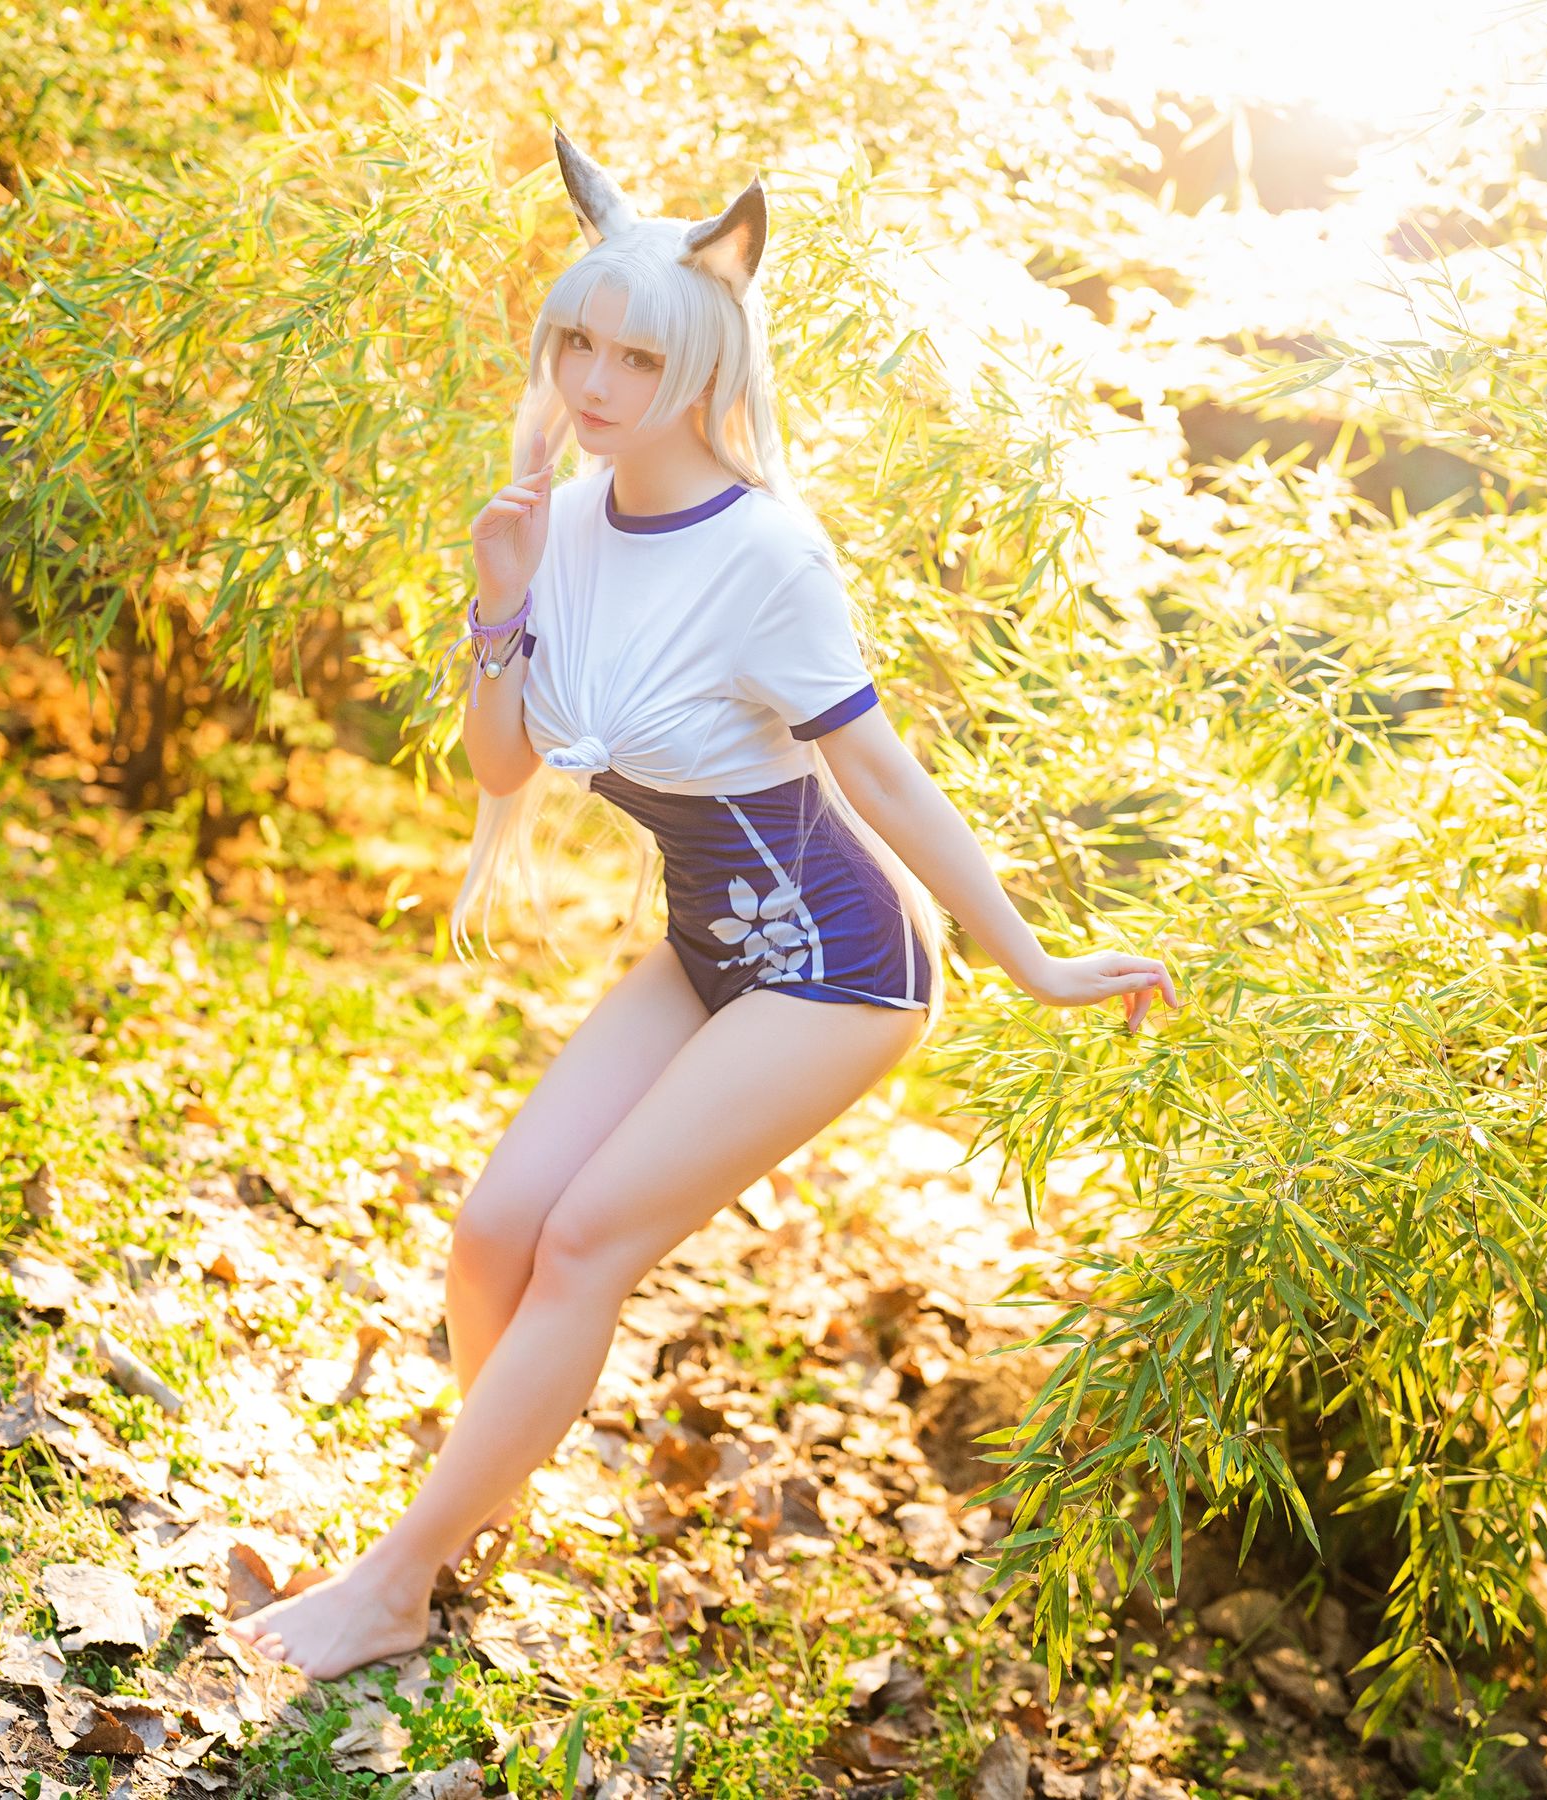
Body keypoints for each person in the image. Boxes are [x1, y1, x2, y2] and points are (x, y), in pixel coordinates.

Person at [229, 126, 1179, 1679]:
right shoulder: (563, 520)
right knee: (492, 1233)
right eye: (577, 345)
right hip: (706, 943)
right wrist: (498, 599)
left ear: (703, 365)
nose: (595, 383)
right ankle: (477, 1510)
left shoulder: (766, 558)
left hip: (839, 967)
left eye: (636, 357)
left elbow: (886, 784)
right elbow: (501, 763)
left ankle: (396, 1585)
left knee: (583, 1240)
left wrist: (1032, 958)